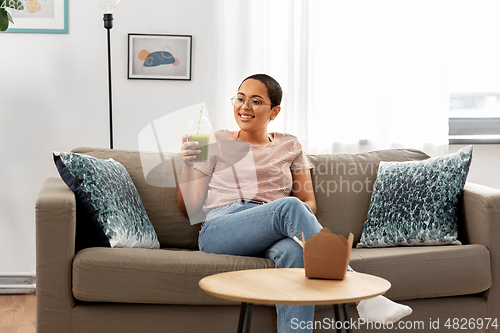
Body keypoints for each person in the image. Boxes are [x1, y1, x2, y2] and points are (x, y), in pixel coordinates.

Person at [178, 74, 412, 333]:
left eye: (256, 101)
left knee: (294, 251)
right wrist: (189, 164)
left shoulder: (290, 145)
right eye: (240, 98)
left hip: (274, 227)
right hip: (222, 227)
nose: (244, 106)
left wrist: (279, 216)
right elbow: (190, 207)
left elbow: (308, 202)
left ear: (274, 111)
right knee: (289, 206)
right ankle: (362, 294)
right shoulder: (215, 141)